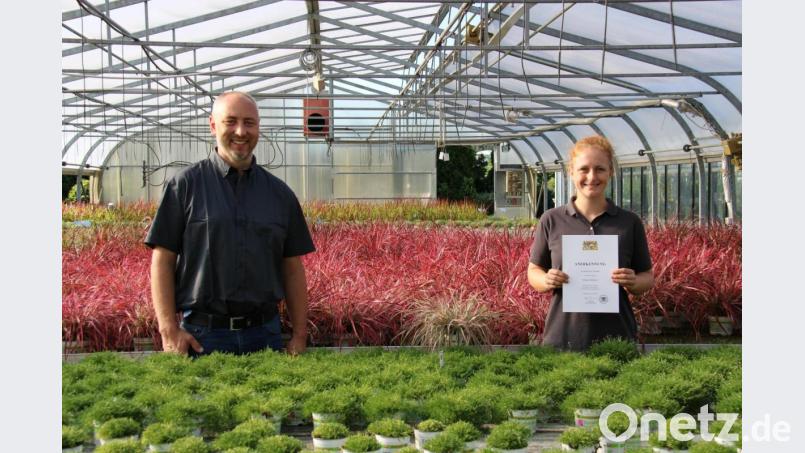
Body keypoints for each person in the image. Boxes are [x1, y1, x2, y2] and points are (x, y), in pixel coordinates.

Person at [145, 91, 315, 356]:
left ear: (258, 127)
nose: (240, 131)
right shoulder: (185, 185)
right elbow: (163, 258)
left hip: (265, 334)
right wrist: (168, 331)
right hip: (203, 337)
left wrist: (300, 335)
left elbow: (292, 268)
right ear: (213, 125)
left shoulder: (280, 195)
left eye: (249, 123)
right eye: (231, 121)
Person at [527, 136, 654, 351]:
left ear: (611, 172)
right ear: (571, 172)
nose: (592, 177)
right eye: (584, 169)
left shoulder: (628, 222)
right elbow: (534, 271)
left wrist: (633, 281)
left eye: (600, 169)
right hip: (562, 334)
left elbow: (647, 277)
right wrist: (547, 279)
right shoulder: (552, 219)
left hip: (617, 336)